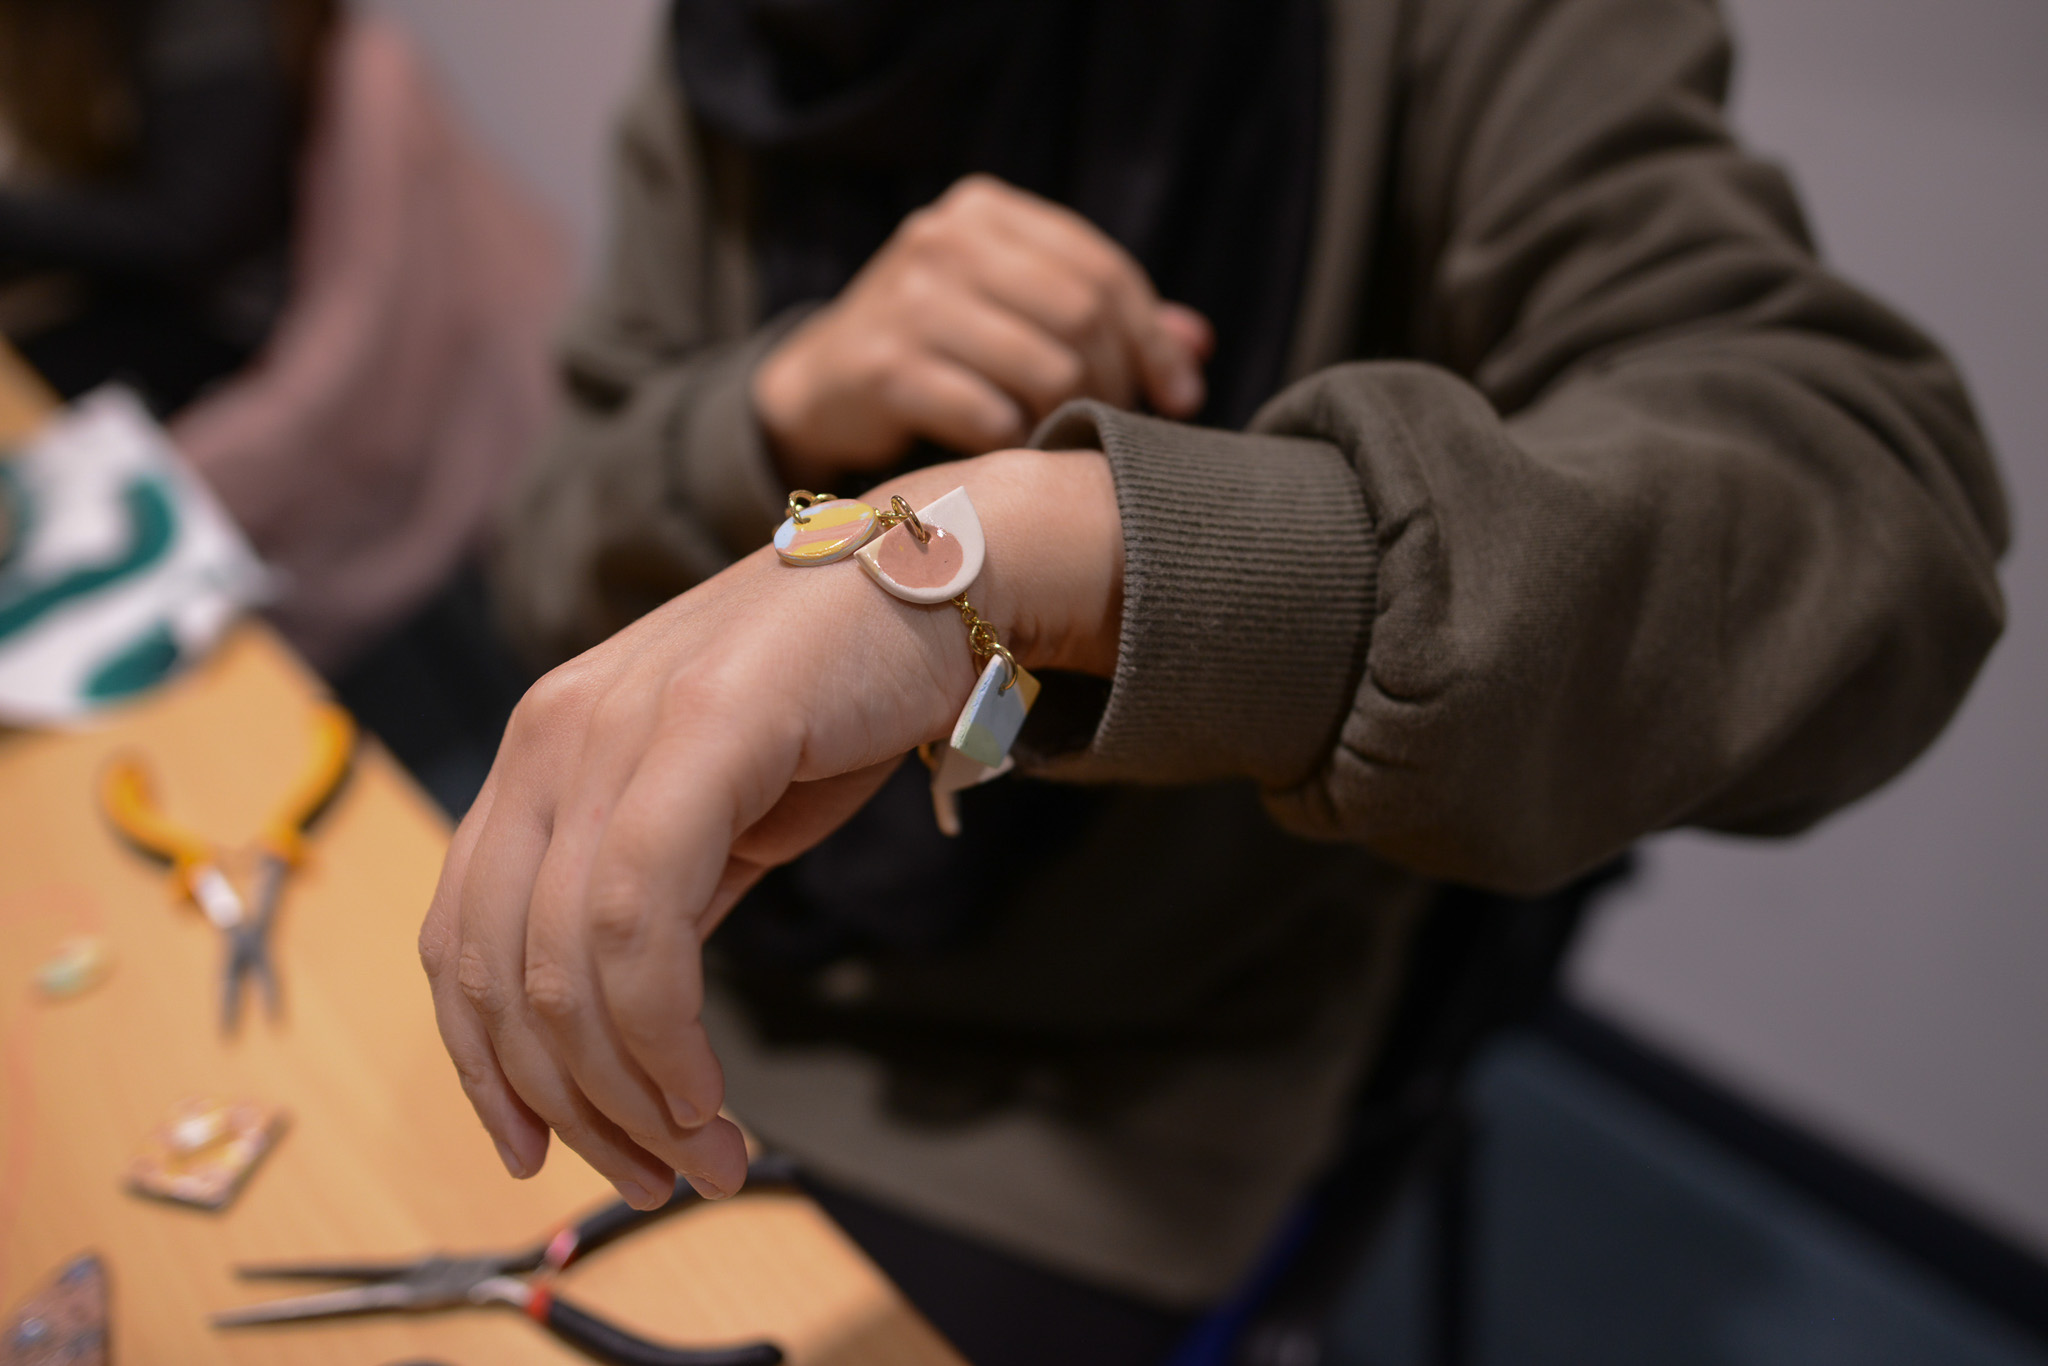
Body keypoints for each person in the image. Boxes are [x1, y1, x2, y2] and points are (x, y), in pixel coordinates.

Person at [421, 0, 2009, 1361]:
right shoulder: (752, 40)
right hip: (695, 964)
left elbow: (1877, 514)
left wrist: (1068, 544)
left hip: (1102, 1099)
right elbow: (550, 546)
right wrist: (777, 403)